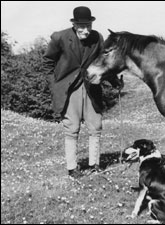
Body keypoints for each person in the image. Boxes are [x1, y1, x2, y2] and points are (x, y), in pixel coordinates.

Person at [44, 6, 120, 179]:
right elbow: (47, 62)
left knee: (96, 126)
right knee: (72, 128)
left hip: (92, 88)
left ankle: (94, 165)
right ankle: (72, 168)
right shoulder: (59, 38)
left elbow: (103, 63)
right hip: (69, 89)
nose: (86, 30)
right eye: (81, 26)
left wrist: (114, 81)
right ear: (74, 24)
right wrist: (54, 85)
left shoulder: (97, 37)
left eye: (88, 26)